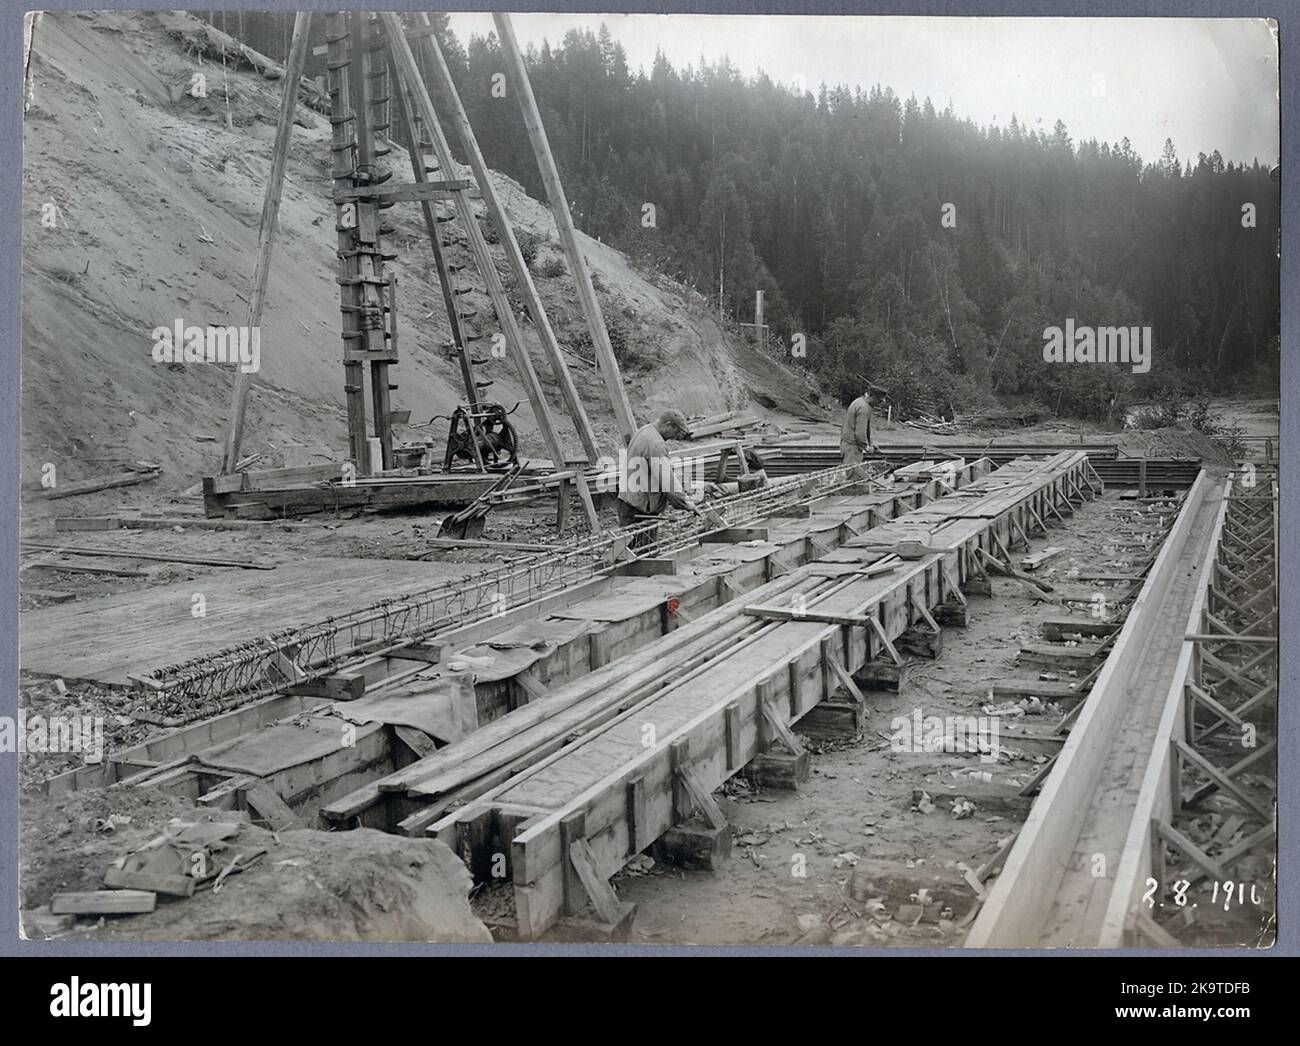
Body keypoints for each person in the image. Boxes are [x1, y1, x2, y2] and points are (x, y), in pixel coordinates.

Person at [616, 409, 703, 532]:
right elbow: (668, 483)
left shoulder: (644, 430)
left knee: (627, 547)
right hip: (640, 510)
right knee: (644, 549)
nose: (676, 437)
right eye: (677, 431)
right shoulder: (657, 445)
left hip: (627, 501)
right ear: (668, 425)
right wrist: (686, 503)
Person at [840, 385, 883, 464]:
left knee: (854, 473)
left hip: (849, 445)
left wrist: (871, 443)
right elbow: (860, 433)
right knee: (854, 474)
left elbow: (866, 428)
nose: (879, 404)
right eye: (879, 401)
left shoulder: (860, 401)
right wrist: (867, 447)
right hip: (852, 448)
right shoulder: (864, 408)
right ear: (873, 397)